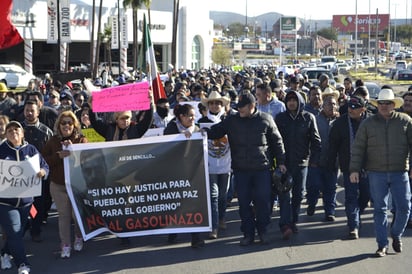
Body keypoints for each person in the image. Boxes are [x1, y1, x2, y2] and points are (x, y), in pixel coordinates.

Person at [203, 92, 286, 246]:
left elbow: (277, 141)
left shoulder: (266, 119)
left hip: (262, 169)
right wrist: (199, 131)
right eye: (238, 107)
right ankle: (248, 234)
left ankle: (263, 232)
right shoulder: (232, 120)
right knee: (244, 203)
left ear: (252, 106)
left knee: (263, 202)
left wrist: (281, 162)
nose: (239, 110)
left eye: (242, 107)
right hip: (241, 171)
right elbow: (215, 132)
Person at [349, 88, 412, 257]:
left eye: (387, 103)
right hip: (376, 173)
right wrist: (354, 169)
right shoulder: (368, 124)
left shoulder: (405, 121)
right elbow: (358, 148)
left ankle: (396, 234)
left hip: (400, 172)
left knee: (405, 207)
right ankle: (382, 245)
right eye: (381, 103)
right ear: (377, 105)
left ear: (393, 105)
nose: (384, 106)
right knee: (379, 209)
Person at [0, 121, 49, 274]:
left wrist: (42, 172)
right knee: (14, 232)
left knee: (19, 232)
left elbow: (45, 166)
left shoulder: (31, 149)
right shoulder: (1, 150)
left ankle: (4, 254)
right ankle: (23, 264)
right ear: (5, 134)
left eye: (16, 129)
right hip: (6, 202)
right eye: (9, 130)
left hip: (27, 202)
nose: (13, 132)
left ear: (22, 133)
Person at [42, 111, 88, 258]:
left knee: (77, 215)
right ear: (59, 125)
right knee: (64, 216)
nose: (66, 125)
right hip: (58, 185)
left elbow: (87, 162)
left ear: (74, 125)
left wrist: (72, 153)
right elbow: (43, 161)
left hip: (76, 185)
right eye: (63, 123)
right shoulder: (53, 141)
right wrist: (58, 156)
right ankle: (65, 245)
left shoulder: (82, 140)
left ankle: (79, 236)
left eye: (69, 122)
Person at [275, 91, 321, 238]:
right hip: (284, 164)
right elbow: (275, 141)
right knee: (284, 194)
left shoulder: (308, 118)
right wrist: (279, 161)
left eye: (295, 99)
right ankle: (284, 224)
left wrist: (313, 159)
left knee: (298, 195)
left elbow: (316, 141)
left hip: (302, 164)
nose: (291, 102)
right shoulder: (280, 118)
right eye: (289, 100)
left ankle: (293, 221)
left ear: (300, 101)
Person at [328, 96, 371, 240]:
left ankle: (357, 215)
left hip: (368, 167)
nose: (351, 109)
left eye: (355, 107)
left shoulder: (371, 122)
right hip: (348, 166)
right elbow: (332, 146)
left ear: (363, 109)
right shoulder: (340, 124)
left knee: (366, 195)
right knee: (351, 197)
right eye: (349, 106)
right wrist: (330, 164)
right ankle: (353, 226)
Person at [163, 104, 205, 248]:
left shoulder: (198, 130)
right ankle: (173, 232)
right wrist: (179, 137)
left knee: (194, 204)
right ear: (181, 117)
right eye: (190, 116)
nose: (193, 119)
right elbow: (167, 146)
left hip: (193, 174)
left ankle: (196, 237)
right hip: (175, 174)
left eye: (194, 116)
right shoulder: (171, 129)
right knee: (176, 205)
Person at [198, 90, 232, 239]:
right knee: (213, 195)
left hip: (226, 164)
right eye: (211, 103)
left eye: (218, 103)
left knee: (223, 196)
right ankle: (214, 226)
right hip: (209, 164)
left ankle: (222, 217)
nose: (214, 106)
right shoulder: (201, 122)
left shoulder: (229, 121)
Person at [21, 100, 54, 242]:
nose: (29, 113)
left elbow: (52, 152)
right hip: (20, 175)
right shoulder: (18, 129)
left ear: (38, 112)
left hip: (39, 175)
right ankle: (24, 227)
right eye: (27, 110)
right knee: (24, 205)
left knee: (39, 205)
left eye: (32, 110)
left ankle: (36, 230)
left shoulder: (46, 131)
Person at [306, 94, 339, 221]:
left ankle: (329, 211)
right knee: (314, 187)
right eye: (329, 104)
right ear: (323, 106)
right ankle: (312, 203)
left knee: (330, 188)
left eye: (334, 104)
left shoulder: (338, 121)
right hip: (316, 161)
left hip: (332, 162)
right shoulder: (315, 120)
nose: (332, 106)